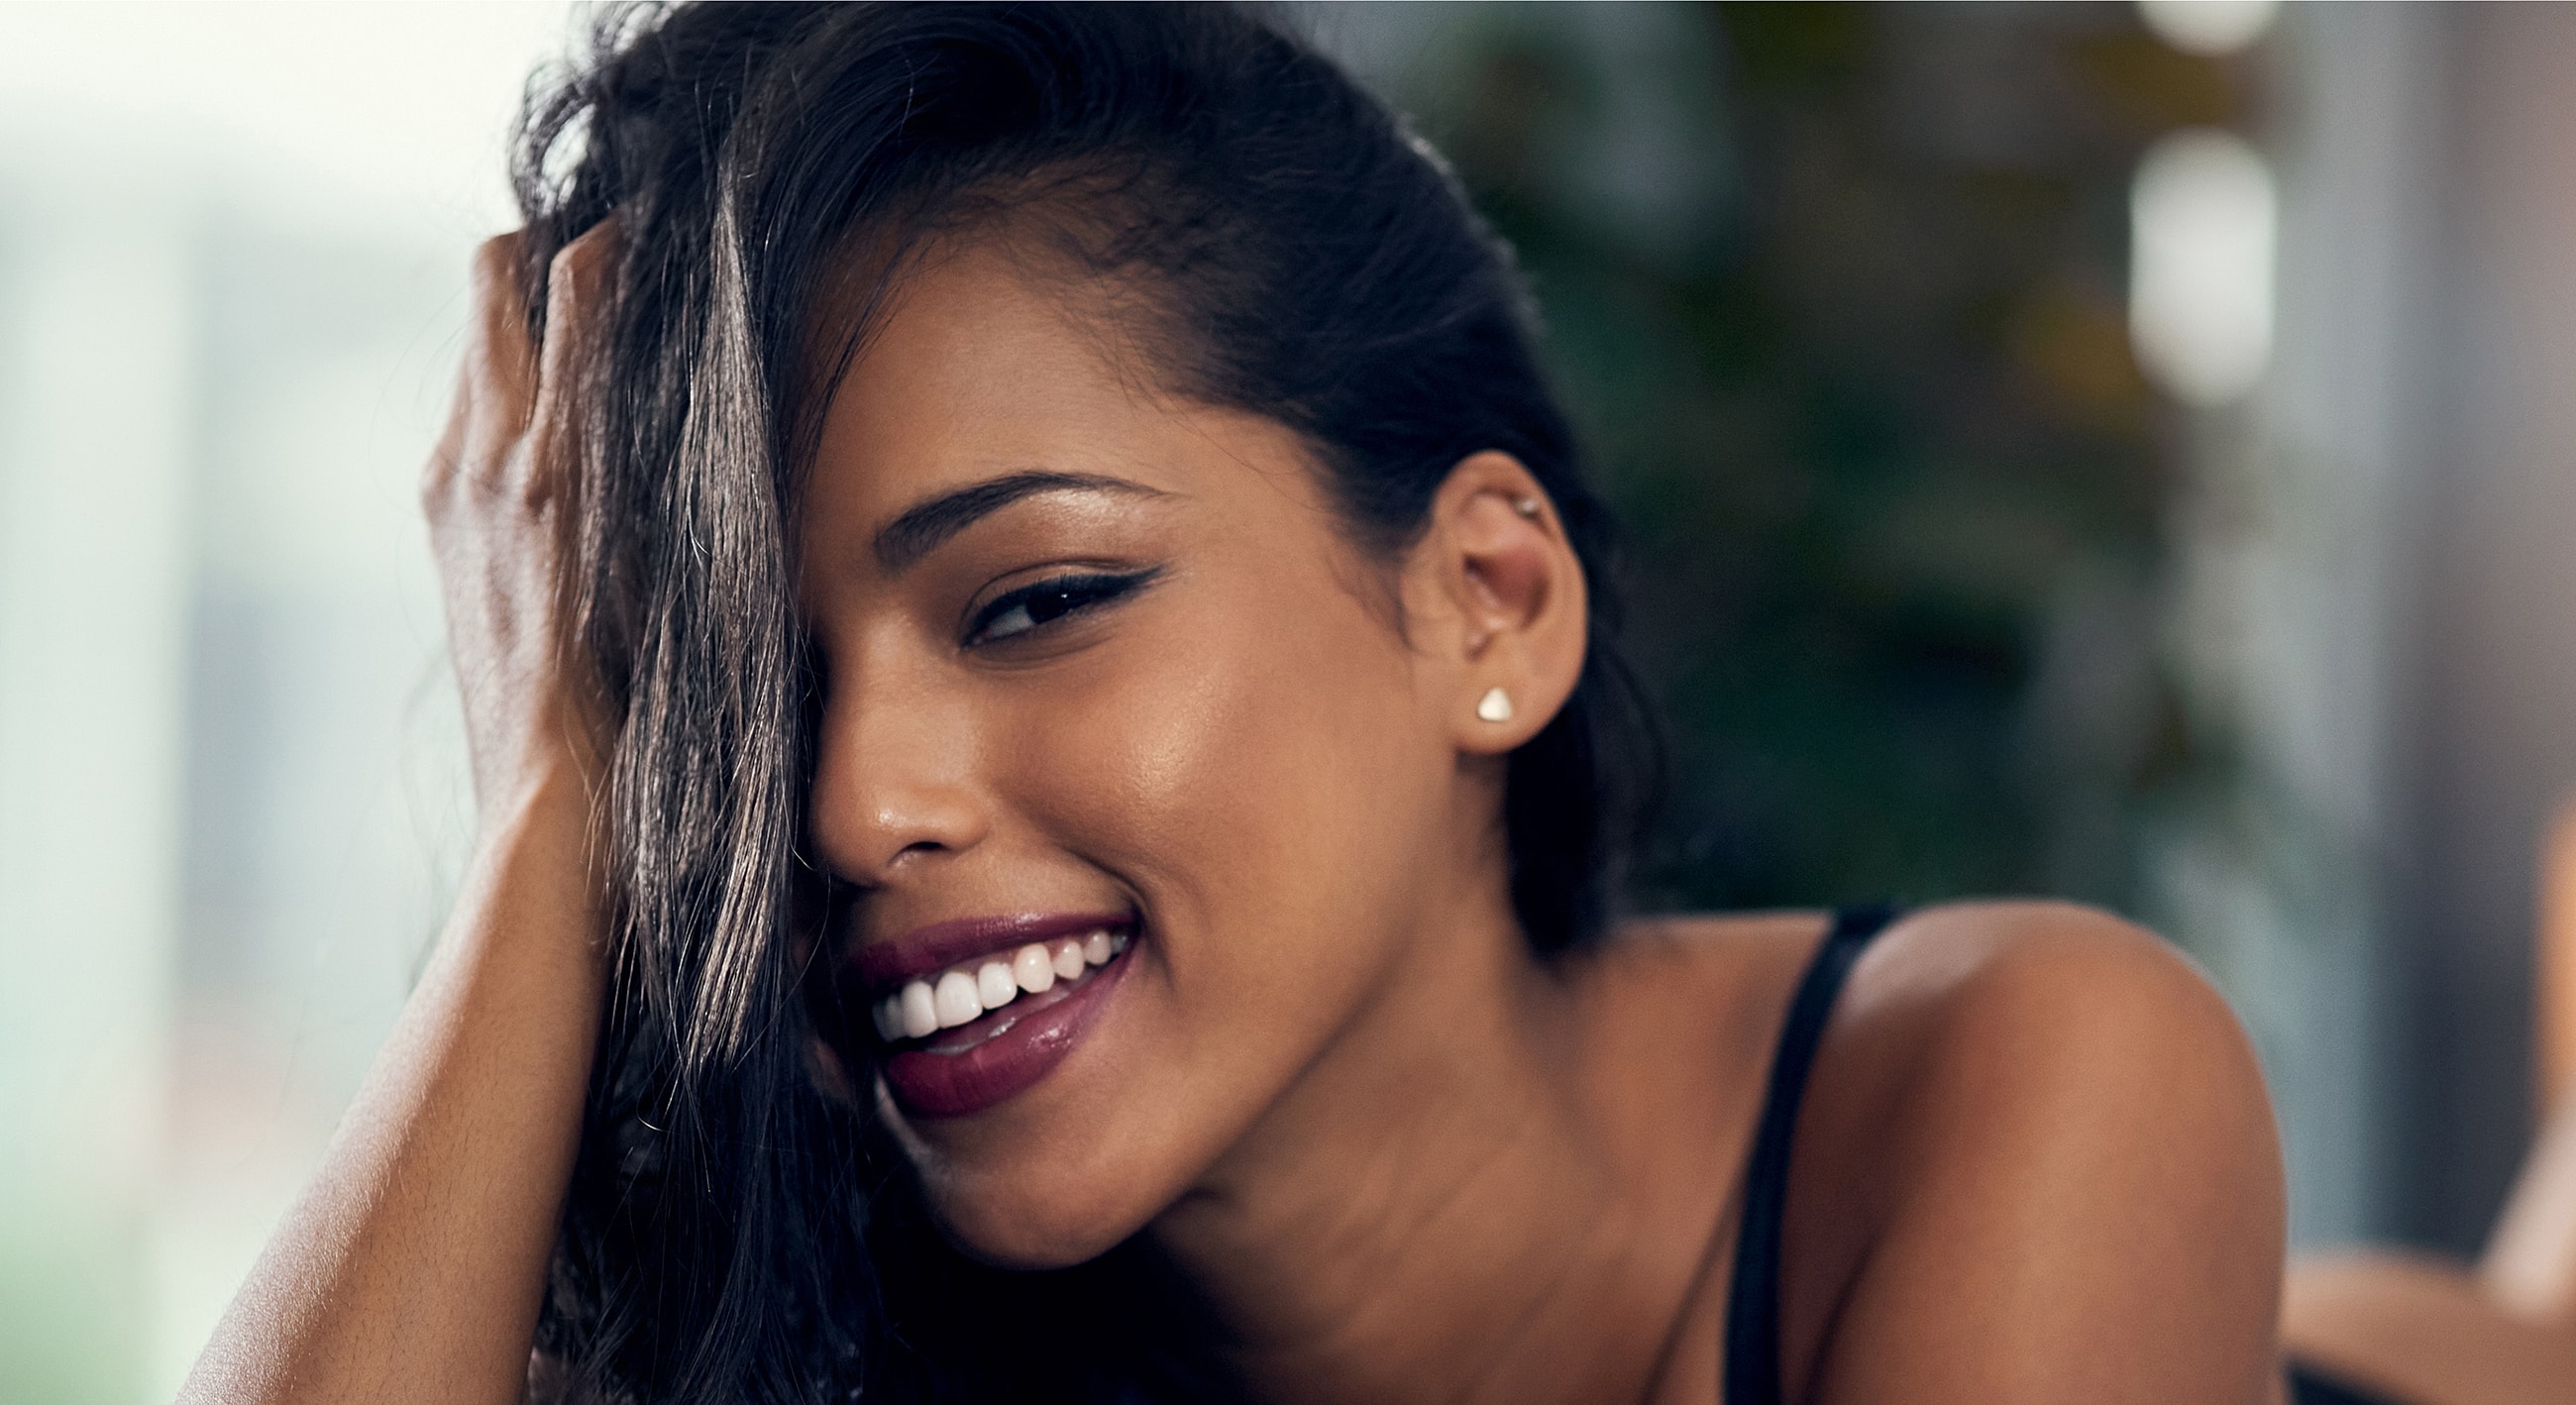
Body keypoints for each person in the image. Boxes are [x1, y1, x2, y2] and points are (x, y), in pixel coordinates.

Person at [179, 5, 2294, 1402]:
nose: (842, 802)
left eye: (1037, 601)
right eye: (728, 699)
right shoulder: (843, 1319)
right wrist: (562, 788)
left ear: (1486, 600)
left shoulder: (2019, 1081)